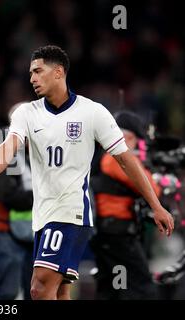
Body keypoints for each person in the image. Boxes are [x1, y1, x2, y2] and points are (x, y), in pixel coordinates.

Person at [0, 45, 174, 300]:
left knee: (38, 289)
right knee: (59, 292)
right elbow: (8, 147)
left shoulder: (92, 112)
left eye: (38, 71)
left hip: (71, 213)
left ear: (58, 72)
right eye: (30, 73)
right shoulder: (27, 113)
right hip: (43, 217)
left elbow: (127, 160)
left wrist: (156, 205)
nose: (32, 79)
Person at [90, 111, 160, 299]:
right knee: (141, 288)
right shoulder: (116, 159)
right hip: (118, 237)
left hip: (107, 235)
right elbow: (152, 189)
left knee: (110, 290)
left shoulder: (104, 158)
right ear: (128, 137)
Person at [0, 104, 34, 300]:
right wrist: (44, 196)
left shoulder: (31, 153)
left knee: (32, 292)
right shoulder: (1, 149)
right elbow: (6, 193)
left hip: (26, 233)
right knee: (8, 292)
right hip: (0, 229)